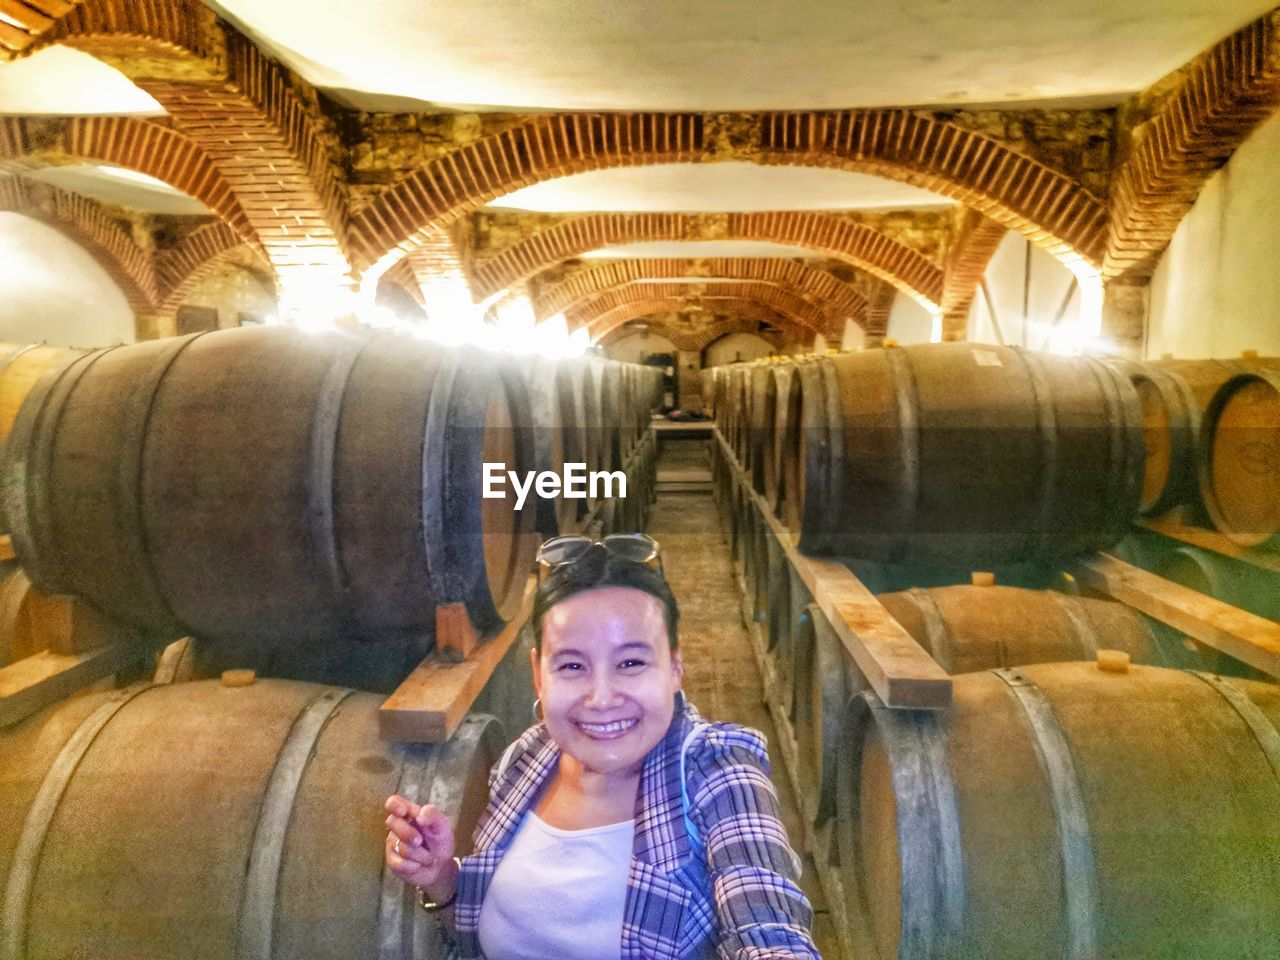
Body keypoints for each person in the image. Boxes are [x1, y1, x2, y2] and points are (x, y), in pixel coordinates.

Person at [384, 533, 821, 959]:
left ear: (674, 666)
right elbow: (486, 930)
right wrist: (441, 878)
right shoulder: (525, 760)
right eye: (572, 665)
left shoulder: (717, 771)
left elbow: (767, 924)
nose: (602, 697)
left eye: (631, 662)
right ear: (539, 674)